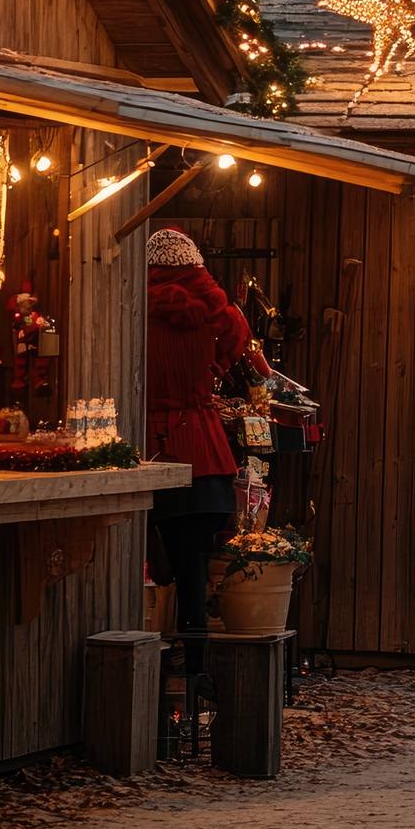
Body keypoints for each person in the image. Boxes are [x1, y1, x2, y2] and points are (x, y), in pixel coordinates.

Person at [145, 229, 251, 635]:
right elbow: (237, 343)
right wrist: (214, 370)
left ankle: (151, 660)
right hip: (204, 454)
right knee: (193, 570)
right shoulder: (216, 312)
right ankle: (194, 671)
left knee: (138, 565)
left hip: (149, 443)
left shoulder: (135, 307)